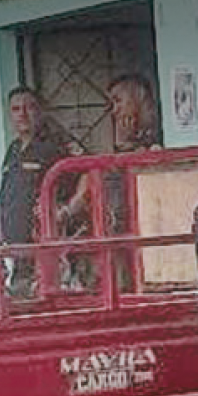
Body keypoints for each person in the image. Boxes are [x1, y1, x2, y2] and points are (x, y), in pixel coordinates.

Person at [55, 74, 162, 291]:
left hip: (147, 233)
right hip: (118, 229)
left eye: (119, 101)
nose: (114, 110)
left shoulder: (156, 140)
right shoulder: (124, 142)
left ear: (137, 100)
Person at [0, 86, 73, 296]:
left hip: (45, 250)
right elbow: (3, 197)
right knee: (18, 300)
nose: (22, 114)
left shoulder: (53, 146)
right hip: (17, 253)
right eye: (16, 109)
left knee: (47, 300)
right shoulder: (12, 150)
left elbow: (87, 176)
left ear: (40, 111)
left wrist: (66, 211)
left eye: (29, 108)